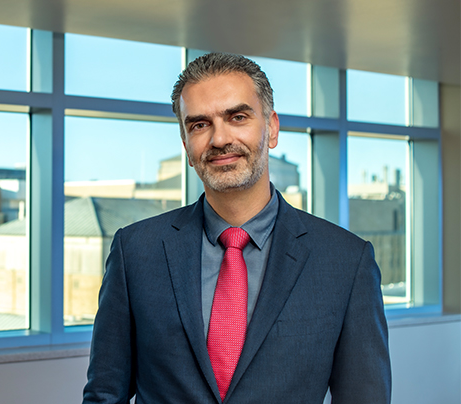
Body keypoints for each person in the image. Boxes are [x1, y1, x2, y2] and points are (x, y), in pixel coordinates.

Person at [82, 52, 391, 404]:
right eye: (199, 124)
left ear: (272, 128)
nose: (219, 139)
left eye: (238, 117)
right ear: (185, 143)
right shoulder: (135, 251)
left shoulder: (345, 261)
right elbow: (105, 394)